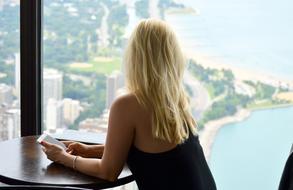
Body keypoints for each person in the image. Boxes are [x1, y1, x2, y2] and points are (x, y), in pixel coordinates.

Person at [41, 19, 217, 190]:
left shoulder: (128, 105)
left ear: (135, 57)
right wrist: (88, 150)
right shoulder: (176, 99)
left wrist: (63, 158)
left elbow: (108, 172)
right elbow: (149, 153)